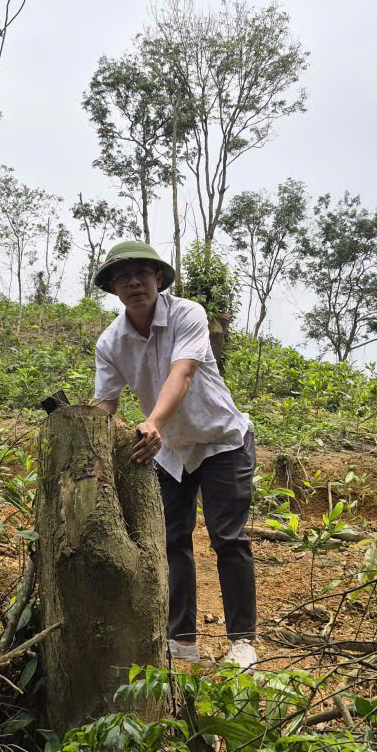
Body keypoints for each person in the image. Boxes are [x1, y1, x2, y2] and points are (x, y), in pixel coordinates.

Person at [89, 241, 258, 669]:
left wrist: (154, 423)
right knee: (171, 542)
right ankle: (182, 640)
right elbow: (105, 404)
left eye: (142, 273)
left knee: (228, 539)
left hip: (222, 440)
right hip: (169, 452)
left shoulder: (187, 314)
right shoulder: (110, 342)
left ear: (158, 278)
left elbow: (182, 372)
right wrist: (89, 446)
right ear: (113, 288)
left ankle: (242, 641)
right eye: (123, 277)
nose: (134, 282)